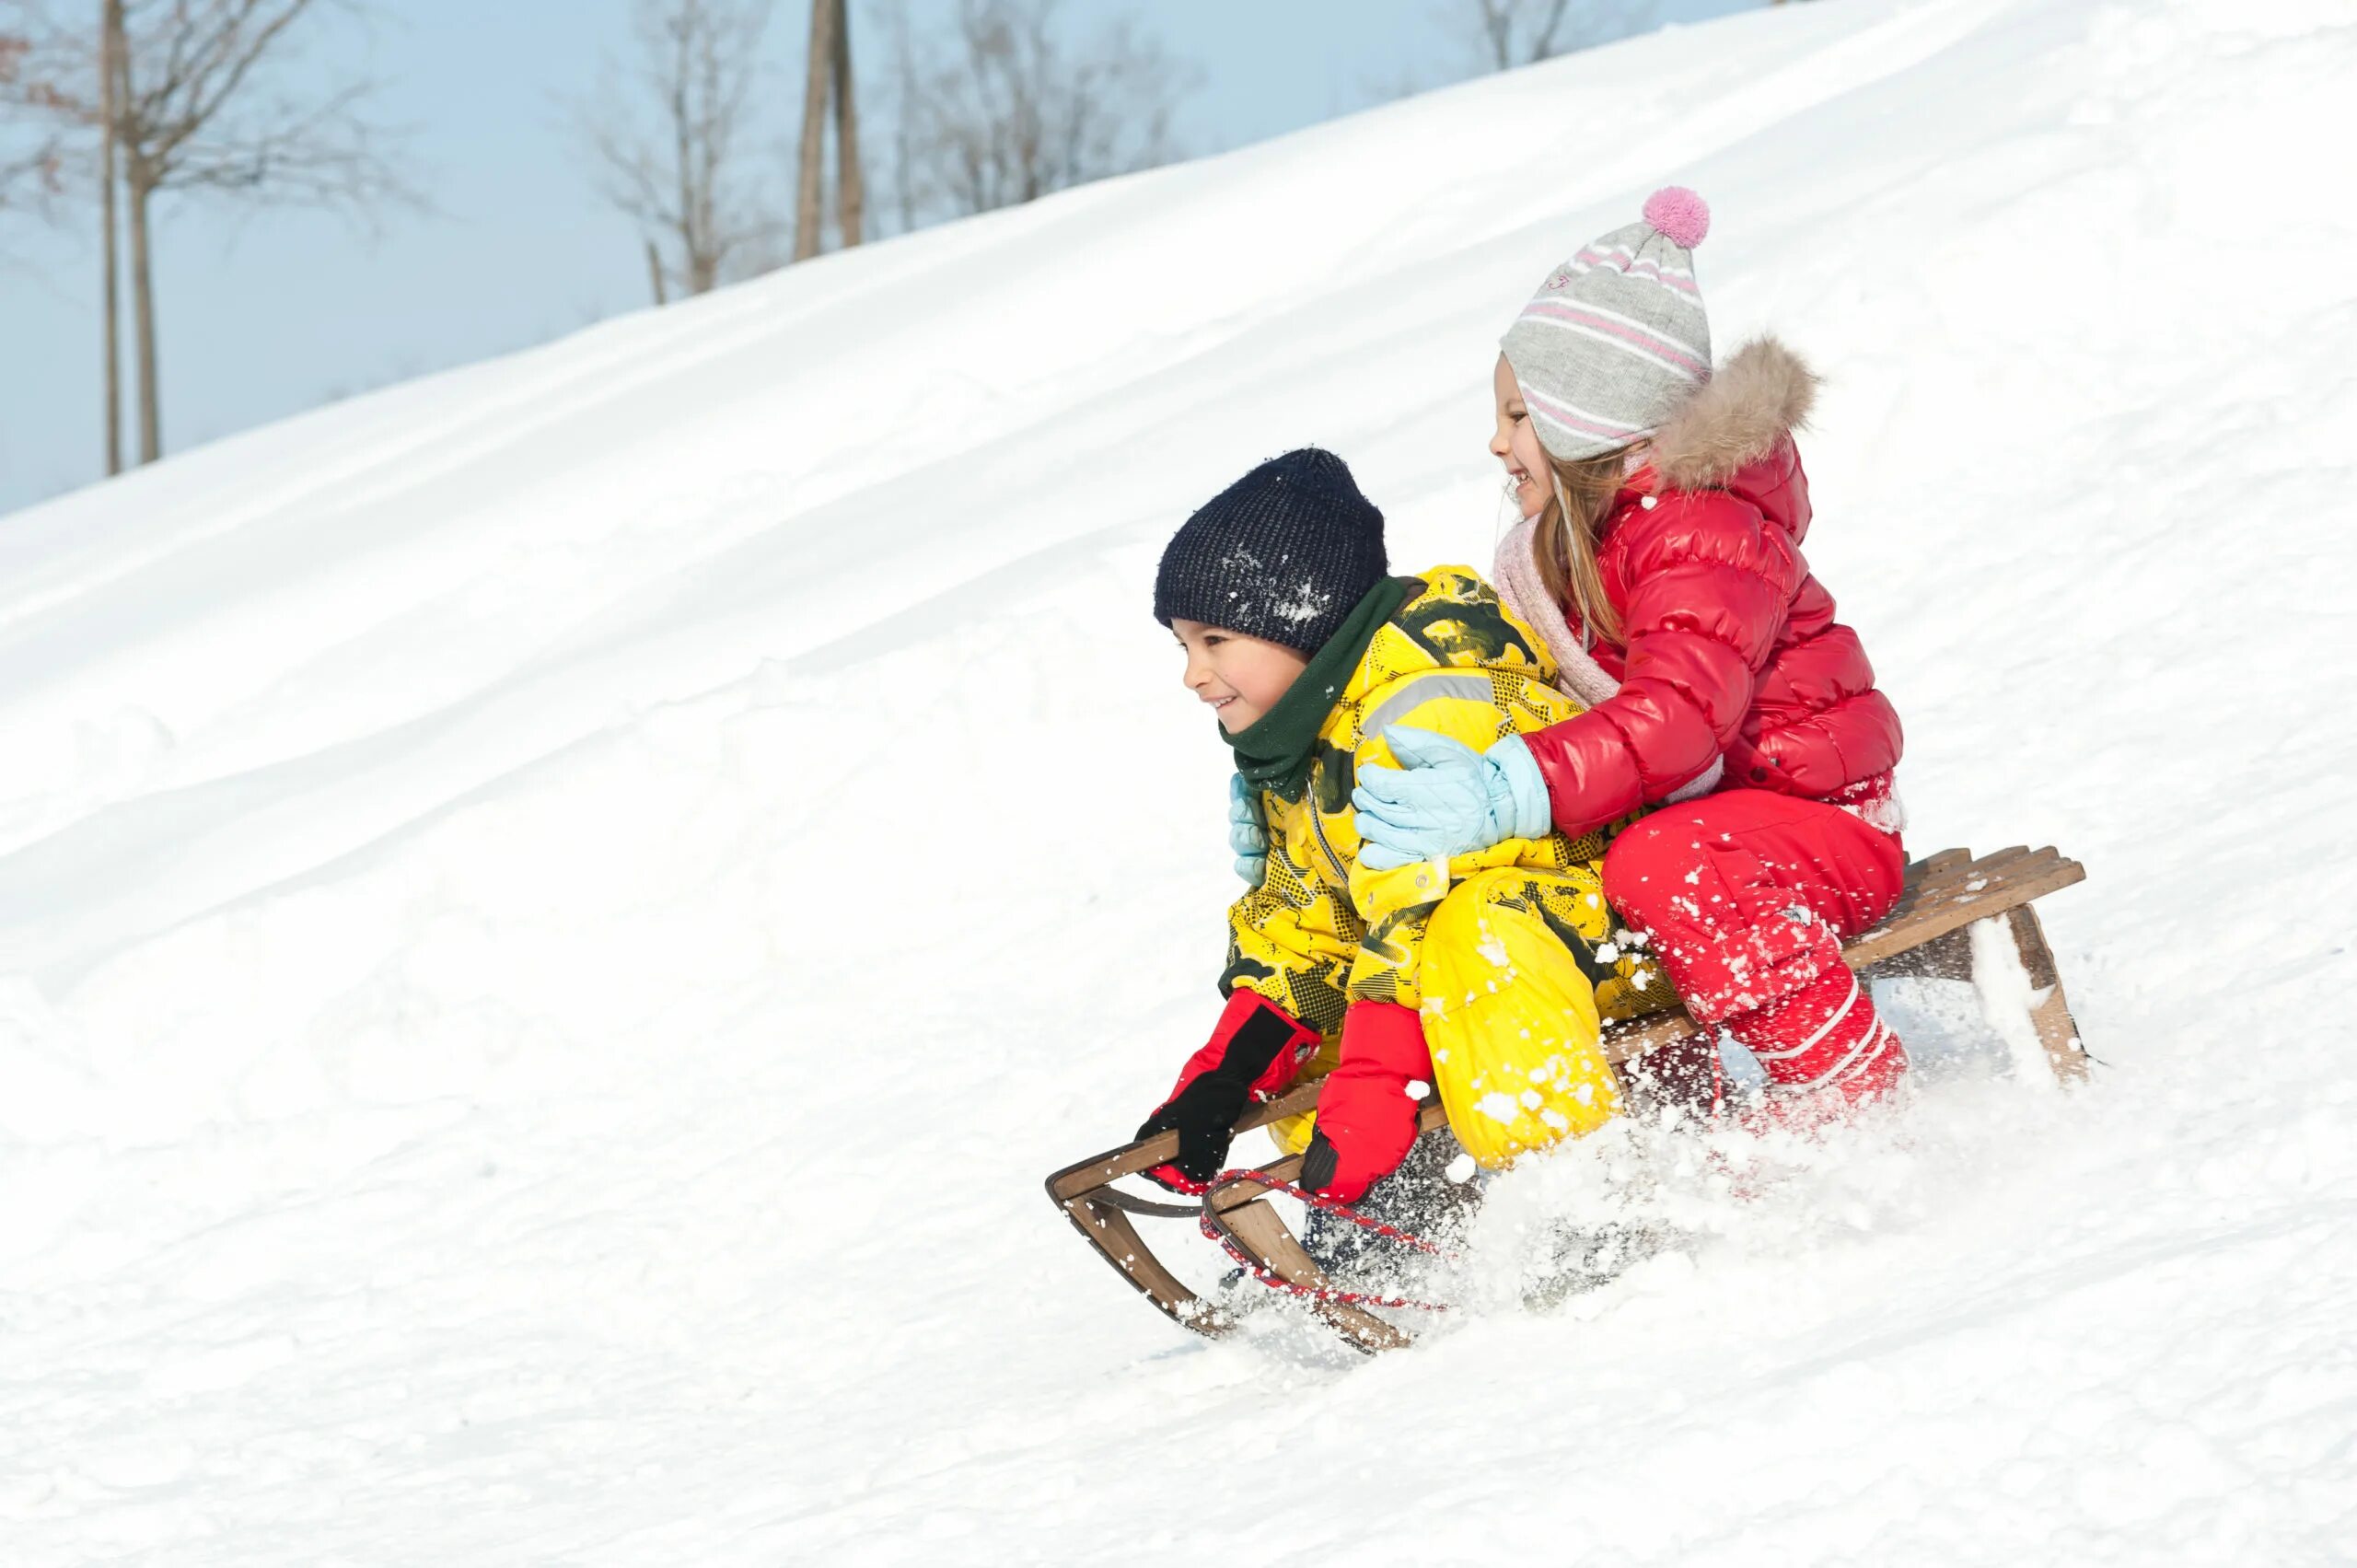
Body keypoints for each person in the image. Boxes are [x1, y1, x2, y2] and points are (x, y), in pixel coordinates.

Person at [1351, 189, 1910, 1116]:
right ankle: (1681, 1127)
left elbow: (1679, 718)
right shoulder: (1590, 542)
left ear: (1586, 422)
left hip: (1821, 824)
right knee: (1583, 877)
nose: (1497, 442)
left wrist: (1508, 787)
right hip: (1732, 821)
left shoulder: (1699, 529)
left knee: (1654, 865)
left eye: (1518, 416)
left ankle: (1848, 1094)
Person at [1133, 447, 1678, 1205]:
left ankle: (1572, 1193)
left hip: (1609, 938)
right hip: (1497, 961)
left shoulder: (1420, 709)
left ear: (1302, 617)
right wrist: (1222, 1079)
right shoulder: (1299, 743)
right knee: (1317, 1040)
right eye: (1184, 645)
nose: (1193, 673)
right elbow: (1307, 928)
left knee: (1472, 932)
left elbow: (1424, 909)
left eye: (1214, 640)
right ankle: (1398, 1206)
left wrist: (1376, 1086)